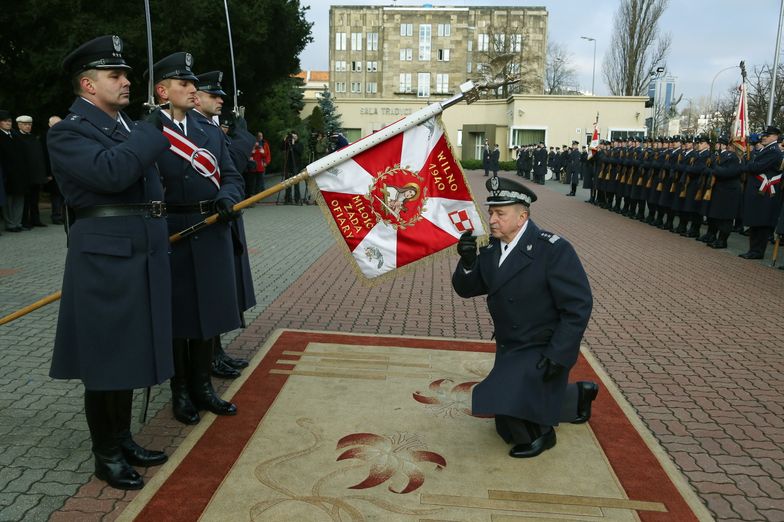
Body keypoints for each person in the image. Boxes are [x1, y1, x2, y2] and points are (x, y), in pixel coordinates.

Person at [48, 35, 173, 490]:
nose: (126, 82)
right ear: (87, 84)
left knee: (131, 349)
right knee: (106, 358)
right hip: (105, 255)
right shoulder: (68, 131)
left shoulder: (122, 126)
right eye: (114, 75)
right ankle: (106, 453)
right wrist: (148, 131)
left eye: (125, 74)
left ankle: (124, 438)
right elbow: (112, 173)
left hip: (138, 250)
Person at [452, 177, 598, 458]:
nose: (492, 220)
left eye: (500, 214)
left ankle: (544, 434)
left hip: (542, 346)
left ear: (522, 217)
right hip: (510, 345)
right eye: (491, 213)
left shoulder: (553, 250)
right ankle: (579, 395)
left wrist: (559, 354)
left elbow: (578, 306)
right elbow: (466, 290)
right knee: (504, 418)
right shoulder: (492, 248)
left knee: (503, 406)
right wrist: (468, 263)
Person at [146, 52, 244, 425]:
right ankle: (181, 392)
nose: (192, 89)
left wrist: (228, 197)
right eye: (183, 84)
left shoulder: (207, 131)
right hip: (172, 231)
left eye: (192, 83)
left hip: (211, 224)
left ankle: (204, 387)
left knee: (208, 316)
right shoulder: (147, 130)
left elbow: (233, 175)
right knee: (179, 319)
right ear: (162, 90)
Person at [739, 125, 783, 259]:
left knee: (761, 222)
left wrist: (749, 165)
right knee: (755, 221)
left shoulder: (774, 151)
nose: (763, 137)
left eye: (767, 135)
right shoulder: (767, 149)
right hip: (759, 192)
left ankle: (757, 251)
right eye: (763, 135)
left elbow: (757, 167)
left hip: (765, 194)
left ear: (775, 137)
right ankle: (753, 250)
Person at [16, 115, 49, 228]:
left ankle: (36, 220)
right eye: (25, 124)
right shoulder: (17, 138)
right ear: (19, 125)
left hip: (36, 174)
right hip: (25, 174)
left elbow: (39, 157)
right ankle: (24, 221)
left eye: (29, 124)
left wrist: (43, 174)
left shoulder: (34, 137)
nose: (28, 126)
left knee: (35, 199)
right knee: (25, 200)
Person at [0, 109, 27, 232]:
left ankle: (17, 222)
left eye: (10, 121)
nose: (8, 123)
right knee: (8, 201)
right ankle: (10, 224)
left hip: (19, 173)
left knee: (19, 198)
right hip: (6, 174)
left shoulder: (16, 135)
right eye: (5, 121)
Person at [43, 116, 64, 224]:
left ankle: (64, 216)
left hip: (65, 171)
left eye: (59, 123)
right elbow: (45, 157)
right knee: (56, 196)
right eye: (55, 124)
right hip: (53, 172)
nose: (57, 126)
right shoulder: (45, 137)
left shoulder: (65, 135)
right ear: (49, 125)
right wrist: (48, 173)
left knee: (64, 195)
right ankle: (56, 216)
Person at [281, 131, 304, 204]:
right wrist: (284, 141)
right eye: (292, 137)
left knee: (296, 183)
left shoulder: (299, 144)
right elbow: (281, 148)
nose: (293, 138)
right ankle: (288, 198)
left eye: (295, 137)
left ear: (297, 137)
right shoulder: (288, 144)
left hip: (296, 165)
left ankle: (297, 199)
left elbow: (299, 151)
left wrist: (293, 144)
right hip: (288, 165)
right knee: (288, 182)